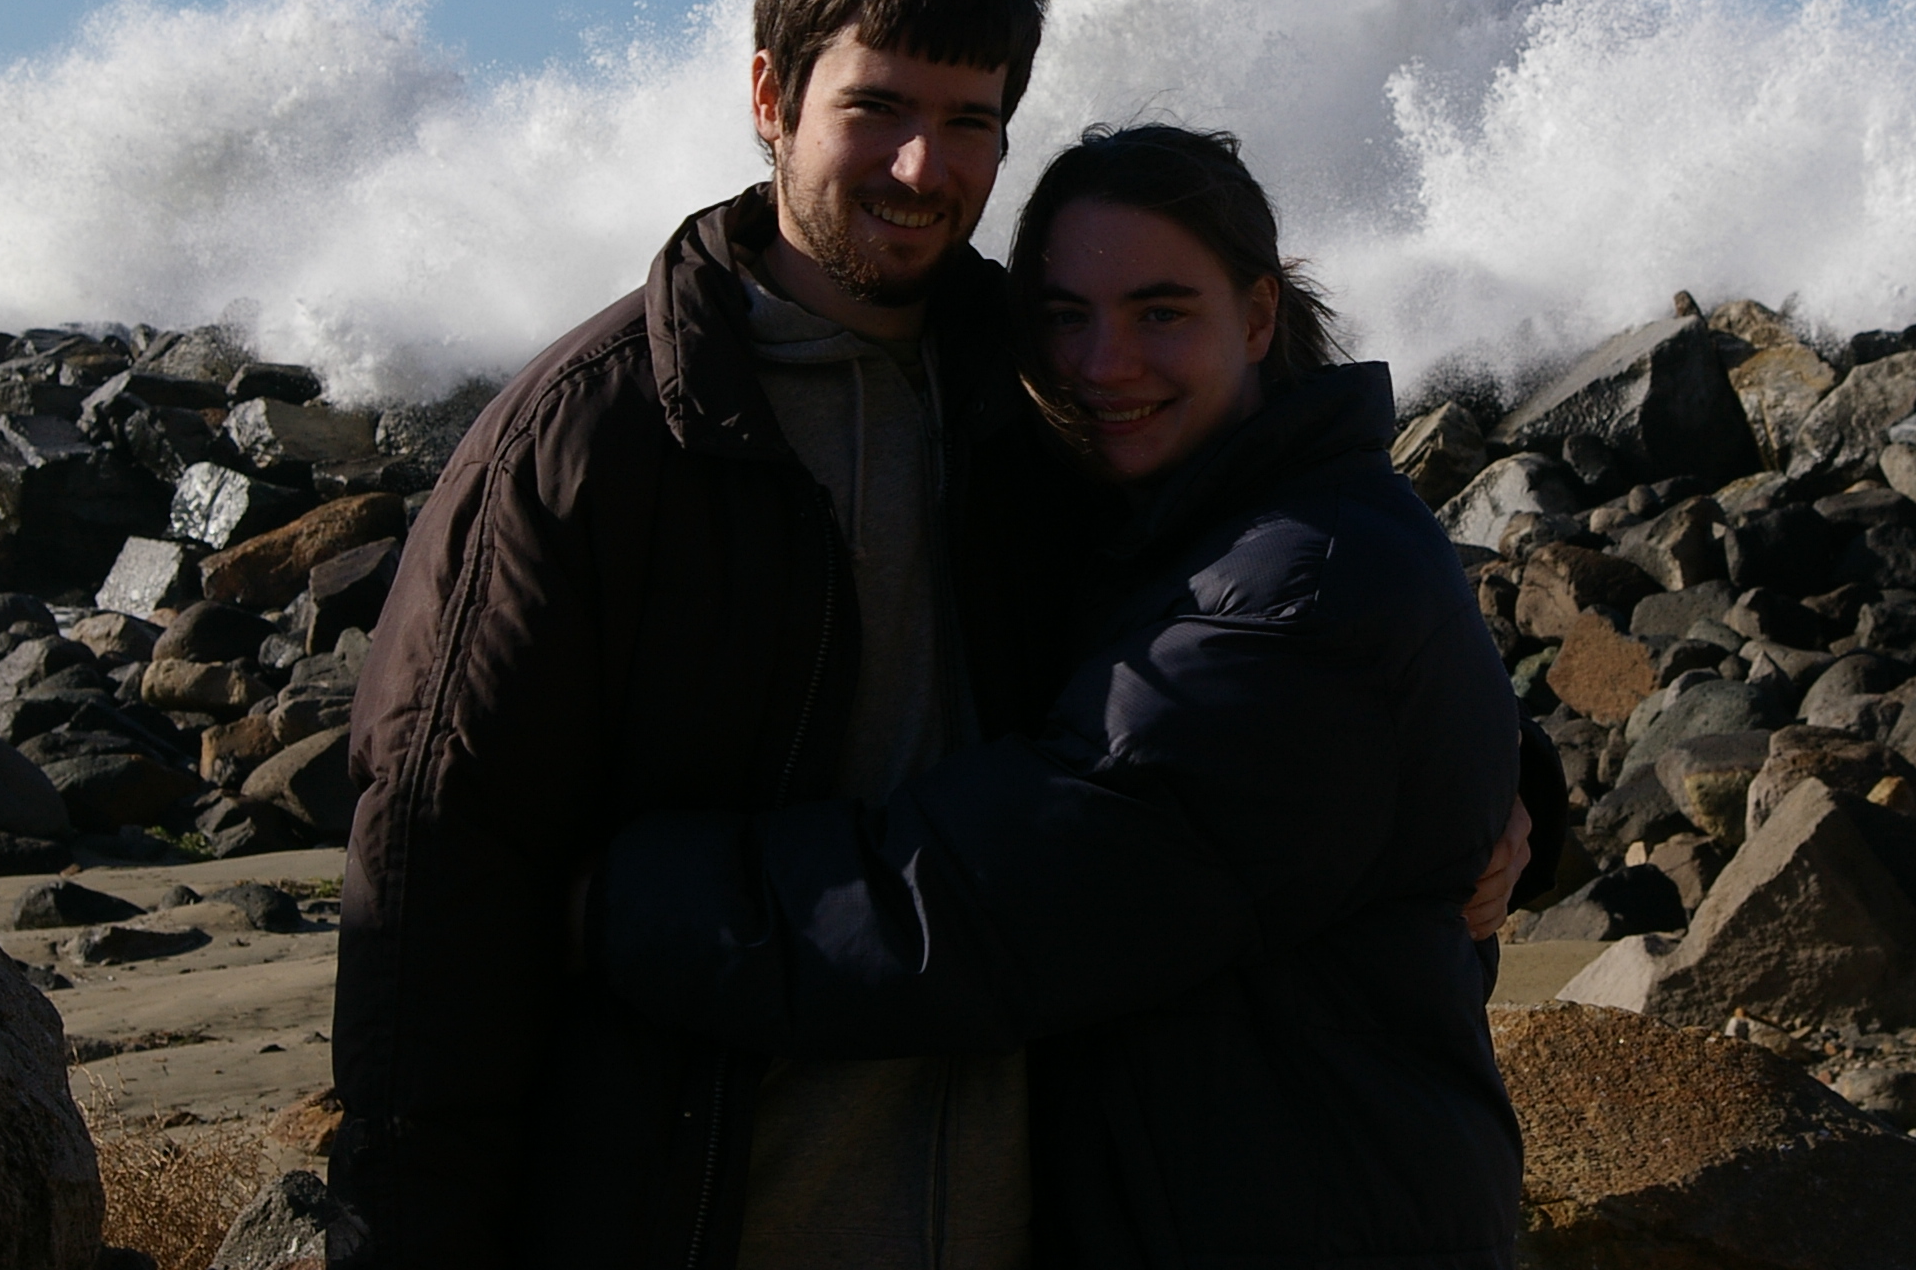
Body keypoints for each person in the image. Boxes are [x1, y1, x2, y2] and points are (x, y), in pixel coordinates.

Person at [586, 124, 1536, 1269]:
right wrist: (1525, 792)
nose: (1101, 362)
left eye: (1159, 311)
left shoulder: (1291, 585)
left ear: (1258, 315)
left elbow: (991, 906)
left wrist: (619, 895)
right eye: (1063, 315)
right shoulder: (1209, 527)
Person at [334, 0, 1070, 1266]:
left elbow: (1286, 593)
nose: (926, 169)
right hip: (699, 1223)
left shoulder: (1052, 399)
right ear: (770, 98)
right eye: (879, 110)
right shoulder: (595, 440)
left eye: (971, 122)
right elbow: (441, 881)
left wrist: (1493, 776)